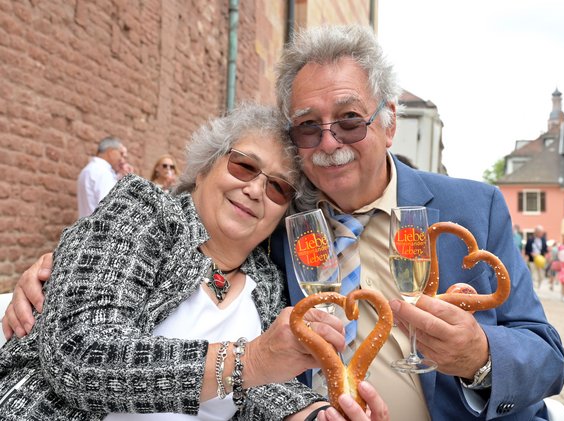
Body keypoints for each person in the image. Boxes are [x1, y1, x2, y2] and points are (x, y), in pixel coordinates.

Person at [5, 25, 564, 420]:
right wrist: (66, 263)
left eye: (350, 120)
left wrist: (479, 357)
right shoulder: (286, 231)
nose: (329, 141)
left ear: (389, 123)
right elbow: (251, 352)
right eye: (308, 127)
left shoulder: (472, 208)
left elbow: (547, 355)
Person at [0, 104, 387, 420]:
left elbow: (264, 386)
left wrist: (315, 414)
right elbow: (80, 353)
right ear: (204, 169)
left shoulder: (267, 280)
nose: (255, 190)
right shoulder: (145, 212)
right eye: (244, 166)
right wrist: (246, 361)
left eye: (278, 187)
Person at [77, 136, 127, 217]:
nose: (122, 160)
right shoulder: (103, 173)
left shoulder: (88, 169)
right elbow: (110, 210)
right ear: (111, 152)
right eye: (120, 154)